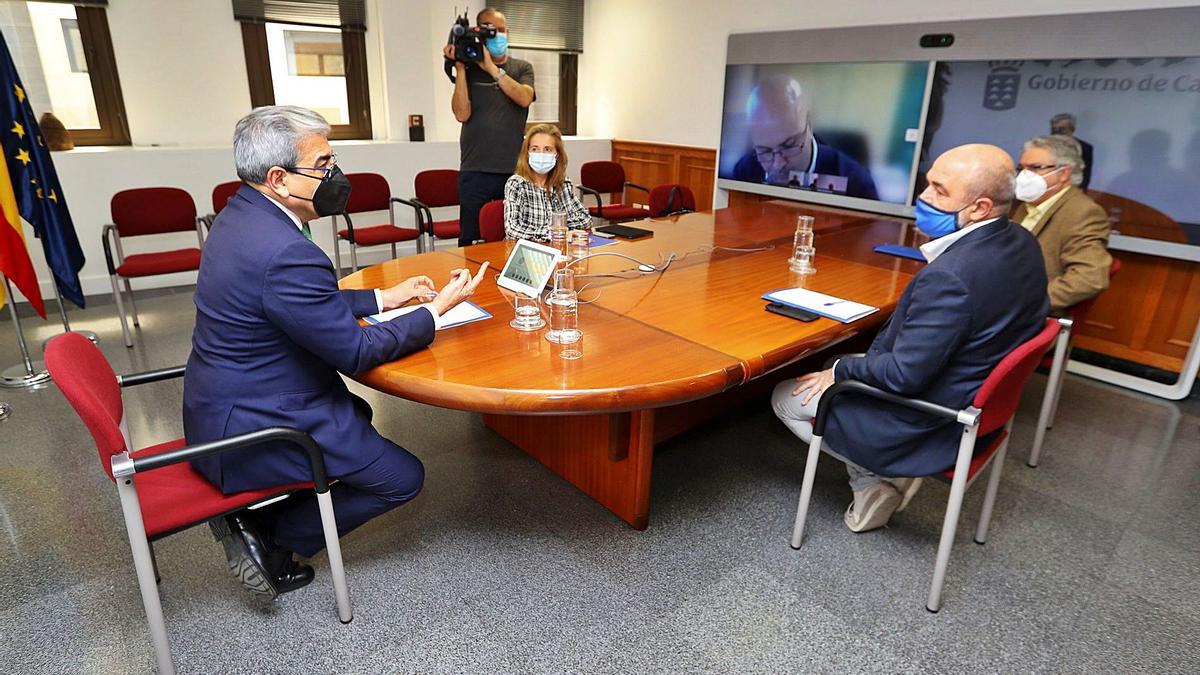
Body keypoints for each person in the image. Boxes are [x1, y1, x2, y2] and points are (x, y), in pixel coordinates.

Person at [184, 106, 489, 599]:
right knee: (402, 478)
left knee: (358, 412)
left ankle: (267, 512)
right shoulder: (284, 250)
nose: (336, 176)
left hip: (223, 399)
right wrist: (435, 312)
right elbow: (355, 351)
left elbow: (296, 300)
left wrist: (382, 299)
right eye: (324, 165)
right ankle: (272, 536)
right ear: (279, 178)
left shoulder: (242, 214)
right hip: (257, 419)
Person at [771, 144, 1048, 533]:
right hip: (972, 398)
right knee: (831, 364)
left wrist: (839, 368)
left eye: (939, 190)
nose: (923, 197)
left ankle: (871, 479)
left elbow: (904, 376)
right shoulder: (1021, 242)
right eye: (927, 183)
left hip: (928, 417)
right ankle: (879, 475)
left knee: (785, 394)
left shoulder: (951, 277)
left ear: (980, 208)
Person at [443, 7, 535, 246]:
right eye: (492, 31)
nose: (499, 36)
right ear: (480, 33)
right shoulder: (469, 70)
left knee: (515, 238)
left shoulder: (522, 68)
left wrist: (491, 69)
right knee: (472, 239)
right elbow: (461, 113)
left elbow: (525, 98)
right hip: (475, 171)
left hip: (514, 171)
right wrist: (461, 68)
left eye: (502, 30)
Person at [730, 75, 878, 200]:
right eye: (765, 151)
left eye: (789, 146)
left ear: (809, 124)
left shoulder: (856, 182)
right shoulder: (744, 171)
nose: (778, 164)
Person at [1013, 134, 1112, 312]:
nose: (1024, 176)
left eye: (1036, 168)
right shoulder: (1024, 206)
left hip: (1025, 316)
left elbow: (1090, 278)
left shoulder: (1083, 212)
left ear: (1064, 173)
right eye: (1021, 168)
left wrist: (1025, 304)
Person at [503, 123, 591, 241]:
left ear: (557, 155)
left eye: (547, 149)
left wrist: (558, 230)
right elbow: (512, 229)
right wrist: (556, 232)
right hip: (525, 252)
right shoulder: (517, 184)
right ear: (527, 153)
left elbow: (585, 219)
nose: (541, 154)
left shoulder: (563, 183)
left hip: (558, 249)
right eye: (535, 149)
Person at [1050, 113, 1093, 191]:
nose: (1057, 132)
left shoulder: (1085, 148)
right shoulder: (1042, 145)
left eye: (1061, 129)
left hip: (1072, 190)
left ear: (1072, 130)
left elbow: (1086, 174)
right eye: (1054, 129)